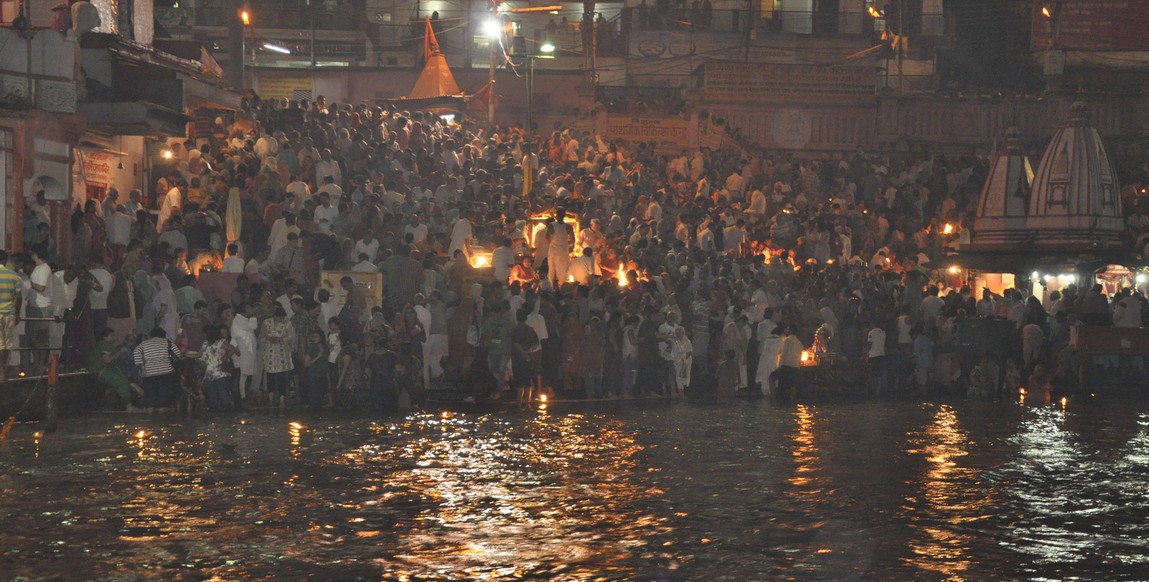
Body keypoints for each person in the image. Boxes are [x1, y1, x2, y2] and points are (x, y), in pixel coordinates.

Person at [89, 327, 140, 411]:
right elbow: (107, 360)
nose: (114, 338)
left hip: (107, 370)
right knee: (121, 381)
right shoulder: (103, 346)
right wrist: (120, 352)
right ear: (105, 337)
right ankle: (129, 406)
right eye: (112, 336)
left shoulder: (107, 346)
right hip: (102, 371)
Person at [133, 327, 180, 412]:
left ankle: (150, 417)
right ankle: (161, 419)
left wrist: (142, 366)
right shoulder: (167, 342)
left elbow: (136, 351)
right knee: (163, 397)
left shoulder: (144, 343)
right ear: (163, 335)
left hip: (149, 373)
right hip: (166, 373)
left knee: (150, 397)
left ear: (151, 335)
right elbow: (177, 354)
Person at [261, 306, 295, 408]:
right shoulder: (266, 323)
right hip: (270, 354)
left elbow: (291, 338)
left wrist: (281, 339)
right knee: (270, 378)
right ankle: (271, 399)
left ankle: (282, 400)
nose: (281, 320)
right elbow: (261, 336)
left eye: (282, 318)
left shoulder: (287, 323)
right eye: (279, 318)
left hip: (282, 355)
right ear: (275, 316)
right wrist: (268, 338)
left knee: (281, 378)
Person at [199, 325, 238, 410]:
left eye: (205, 334)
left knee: (225, 399)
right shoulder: (205, 343)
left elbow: (232, 349)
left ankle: (228, 412)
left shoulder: (220, 342)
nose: (204, 335)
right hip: (209, 375)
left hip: (220, 373)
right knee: (212, 401)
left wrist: (224, 358)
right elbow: (200, 355)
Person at [0, 251, 21, 381]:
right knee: (8, 345)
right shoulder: (13, 275)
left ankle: (0, 372)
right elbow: (18, 296)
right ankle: (3, 370)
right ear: (5, 260)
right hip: (10, 314)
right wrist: (17, 313)